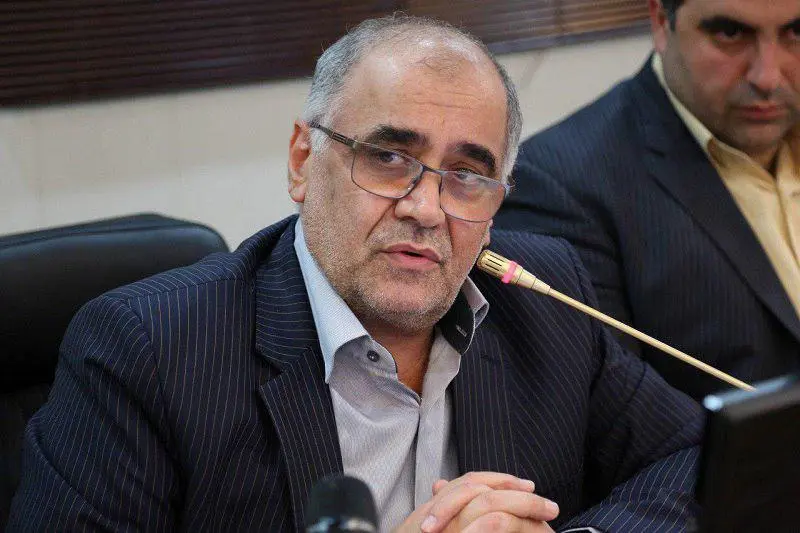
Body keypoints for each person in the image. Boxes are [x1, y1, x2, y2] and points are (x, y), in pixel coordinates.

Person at [8, 15, 702, 533]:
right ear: (302, 162)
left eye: (467, 175)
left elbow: (694, 459)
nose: (426, 209)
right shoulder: (145, 350)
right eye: (389, 158)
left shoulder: (544, 297)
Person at [495, 0, 800, 400]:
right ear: (660, 21)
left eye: (796, 33)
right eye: (730, 33)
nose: (768, 76)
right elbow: (619, 417)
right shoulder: (559, 185)